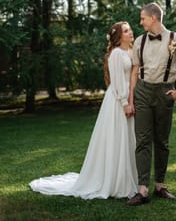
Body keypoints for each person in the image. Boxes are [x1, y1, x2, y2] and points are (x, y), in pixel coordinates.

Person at [29, 21, 138, 199]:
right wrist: (125, 102)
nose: (130, 32)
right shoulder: (116, 54)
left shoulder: (131, 51)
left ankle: (128, 178)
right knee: (117, 139)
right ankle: (115, 181)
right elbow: (117, 81)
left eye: (130, 29)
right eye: (126, 31)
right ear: (118, 37)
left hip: (131, 97)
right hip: (119, 101)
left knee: (128, 140)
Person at [127, 2, 176, 206]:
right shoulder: (139, 41)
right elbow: (134, 72)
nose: (141, 22)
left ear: (154, 18)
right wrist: (131, 99)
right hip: (142, 92)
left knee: (162, 141)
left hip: (165, 92)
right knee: (142, 140)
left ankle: (160, 185)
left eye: (143, 18)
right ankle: (142, 190)